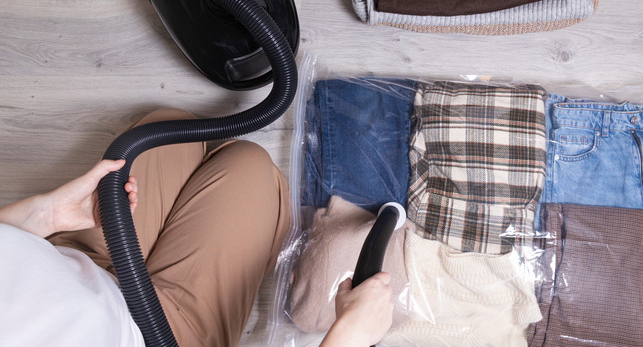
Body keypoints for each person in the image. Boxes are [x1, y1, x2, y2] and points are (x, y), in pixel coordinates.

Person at [0, 108, 393, 347]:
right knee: (249, 165)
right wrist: (352, 335)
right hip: (156, 337)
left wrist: (41, 217)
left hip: (70, 266)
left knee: (167, 129)